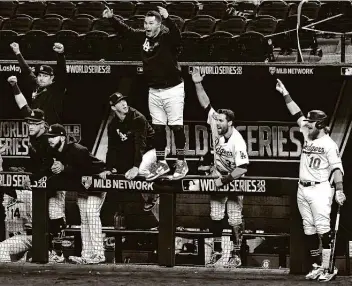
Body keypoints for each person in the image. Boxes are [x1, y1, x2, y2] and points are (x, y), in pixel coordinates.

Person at [103, 6, 188, 181]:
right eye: (145, 23)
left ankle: (181, 162)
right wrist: (112, 18)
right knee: (157, 128)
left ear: (158, 25)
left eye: (150, 23)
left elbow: (177, 37)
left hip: (173, 89)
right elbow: (126, 31)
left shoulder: (166, 38)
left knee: (176, 126)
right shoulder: (143, 37)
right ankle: (162, 163)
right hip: (154, 90)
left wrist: (168, 18)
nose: (147, 26)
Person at [276, 79, 346, 282]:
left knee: (324, 230)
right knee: (308, 229)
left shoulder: (329, 144)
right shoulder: (308, 132)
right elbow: (296, 113)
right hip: (302, 188)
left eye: (311, 121)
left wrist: (339, 190)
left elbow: (336, 168)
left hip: (320, 190)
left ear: (320, 124)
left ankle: (328, 268)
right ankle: (317, 266)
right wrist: (285, 93)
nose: (306, 123)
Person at [191, 68, 249, 268]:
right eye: (217, 120)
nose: (217, 122)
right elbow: (206, 104)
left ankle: (236, 253)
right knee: (215, 216)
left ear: (230, 123)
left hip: (233, 179)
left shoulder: (237, 141)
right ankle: (216, 251)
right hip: (218, 174)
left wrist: (224, 180)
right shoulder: (216, 125)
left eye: (221, 120)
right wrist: (198, 83)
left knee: (234, 219)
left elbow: (243, 168)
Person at [7, 77, 66, 263]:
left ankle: (58, 253)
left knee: (55, 214)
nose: (30, 126)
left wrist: (62, 164)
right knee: (39, 216)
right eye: (29, 123)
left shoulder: (49, 138)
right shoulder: (34, 131)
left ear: (43, 124)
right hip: (39, 180)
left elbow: (64, 152)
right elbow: (23, 105)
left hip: (54, 180)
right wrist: (14, 85)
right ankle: (43, 250)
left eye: (34, 124)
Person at [44, 124, 107, 265]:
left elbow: (90, 169)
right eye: (49, 137)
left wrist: (64, 168)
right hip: (82, 188)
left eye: (53, 137)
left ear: (62, 137)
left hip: (96, 184)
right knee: (84, 218)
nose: (50, 140)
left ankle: (99, 254)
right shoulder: (52, 151)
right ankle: (87, 254)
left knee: (91, 213)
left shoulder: (78, 150)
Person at [98, 92, 159, 211]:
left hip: (155, 150)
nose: (124, 104)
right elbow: (112, 148)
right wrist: (108, 168)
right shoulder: (113, 125)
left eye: (124, 100)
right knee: (123, 170)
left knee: (140, 169)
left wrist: (135, 166)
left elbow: (140, 144)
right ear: (113, 107)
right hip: (138, 151)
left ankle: (153, 196)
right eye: (119, 102)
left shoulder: (137, 118)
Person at [9, 42, 67, 125]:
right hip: (36, 125)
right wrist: (17, 52)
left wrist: (61, 54)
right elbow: (27, 71)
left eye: (45, 76)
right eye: (40, 75)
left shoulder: (56, 88)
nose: (41, 78)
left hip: (51, 129)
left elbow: (62, 72)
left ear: (52, 78)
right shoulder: (36, 84)